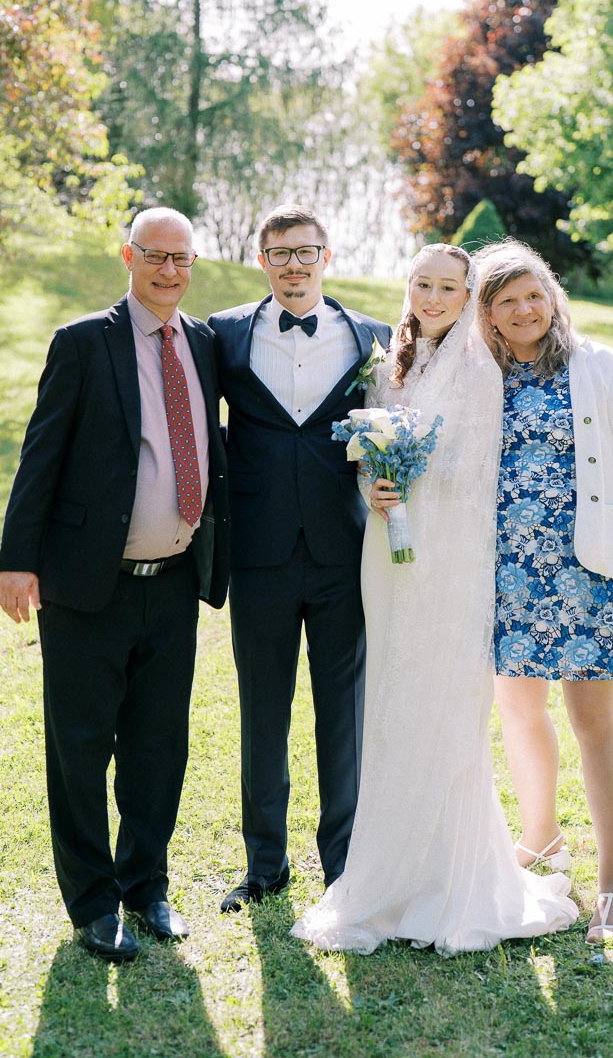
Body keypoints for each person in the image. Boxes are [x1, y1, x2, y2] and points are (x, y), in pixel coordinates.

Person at [292, 245, 578, 954]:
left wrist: (410, 475)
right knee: (389, 697)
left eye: (449, 287)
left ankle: (445, 878)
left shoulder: (481, 367)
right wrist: (376, 483)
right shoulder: (395, 359)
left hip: (446, 559)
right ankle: (389, 867)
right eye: (423, 283)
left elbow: (472, 474)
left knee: (441, 706)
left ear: (466, 293)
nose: (433, 296)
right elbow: (366, 449)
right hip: (385, 555)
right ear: (410, 287)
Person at [0, 208, 229, 961]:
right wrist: (15, 558)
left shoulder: (203, 343)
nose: (168, 271)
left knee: (160, 746)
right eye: (155, 256)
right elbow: (42, 455)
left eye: (181, 259)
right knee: (81, 747)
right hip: (88, 584)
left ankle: (147, 887)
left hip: (174, 585)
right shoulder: (82, 342)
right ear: (128, 256)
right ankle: (94, 903)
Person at [474, 238, 613, 944]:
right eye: (507, 300)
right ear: (487, 315)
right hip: (506, 573)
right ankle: (543, 838)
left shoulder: (598, 367)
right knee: (518, 709)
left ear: (554, 298)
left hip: (586, 573)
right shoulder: (481, 376)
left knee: (594, 720)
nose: (525, 309)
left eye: (535, 294)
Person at [207, 206, 393, 913]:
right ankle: (264, 866)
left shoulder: (372, 337)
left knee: (342, 713)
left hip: (344, 552)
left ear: (326, 256)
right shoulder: (222, 334)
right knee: (262, 711)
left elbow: (397, 423)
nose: (293, 265)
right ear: (262, 260)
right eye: (279, 254)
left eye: (305, 252)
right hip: (258, 554)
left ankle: (343, 866)